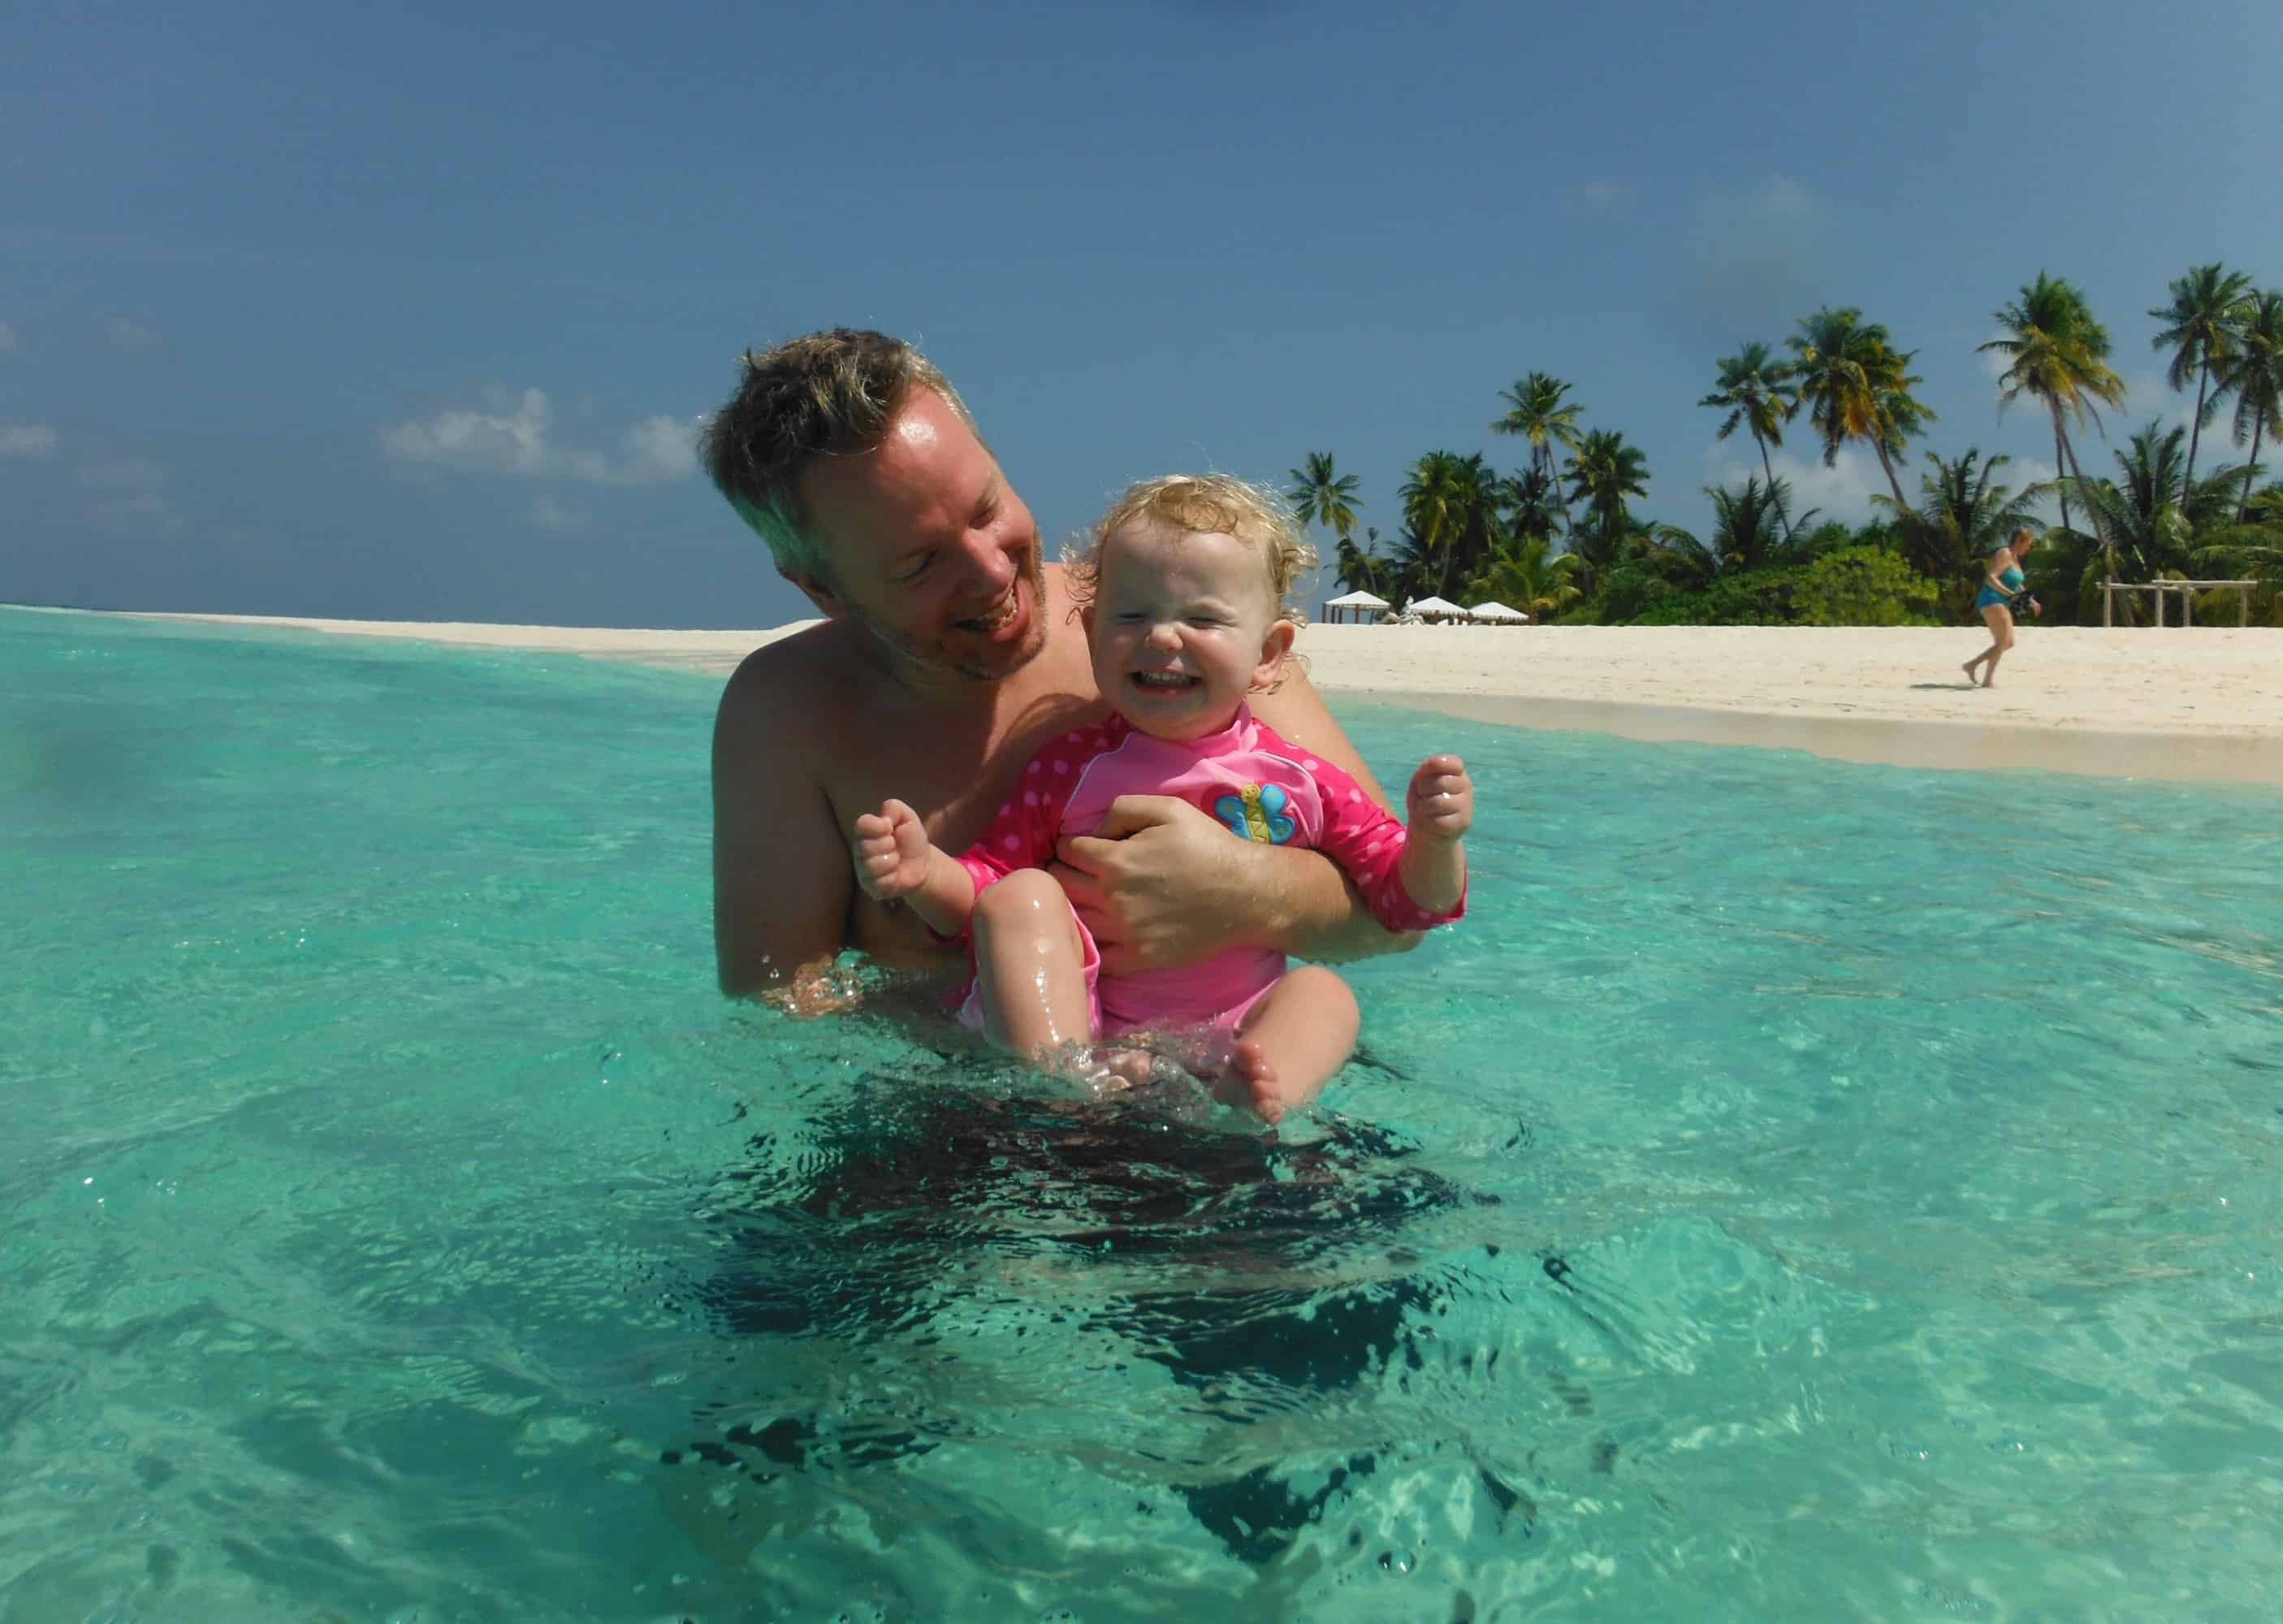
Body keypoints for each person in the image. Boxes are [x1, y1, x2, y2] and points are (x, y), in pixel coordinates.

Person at [698, 329, 1421, 1013]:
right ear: (821, 589)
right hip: (955, 1117)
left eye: (987, 509)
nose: (989, 572)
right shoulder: (790, 712)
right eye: (920, 562)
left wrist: (1245, 889)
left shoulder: (1192, 634)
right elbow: (782, 1006)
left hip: (1226, 1073)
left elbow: (1402, 913)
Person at [850, 475, 1473, 1121]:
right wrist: (926, 874)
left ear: (1267, 654)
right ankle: (1057, 1086)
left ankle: (1256, 1097)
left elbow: (1407, 905)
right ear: (1092, 634)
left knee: (1324, 993)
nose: (1163, 637)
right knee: (1019, 896)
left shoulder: (1302, 780)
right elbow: (985, 893)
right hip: (1089, 1032)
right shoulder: (1069, 766)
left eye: (1201, 617)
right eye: (1132, 615)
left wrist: (1435, 842)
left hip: (1232, 1035)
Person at [1963, 526, 2041, 689]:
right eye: (2028, 544)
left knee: (2006, 642)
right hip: (1991, 599)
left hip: (2001, 601)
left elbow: (2016, 582)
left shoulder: (2014, 558)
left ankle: (1987, 680)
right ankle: (1972, 665)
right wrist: (2010, 594)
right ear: (2020, 541)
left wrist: (2030, 600)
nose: (2029, 548)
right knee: (2005, 642)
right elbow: (1991, 578)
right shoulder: (2004, 553)